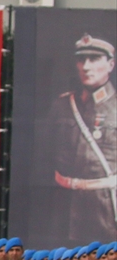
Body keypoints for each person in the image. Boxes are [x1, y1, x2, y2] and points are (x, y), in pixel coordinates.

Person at [49, 34, 116, 244]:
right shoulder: (62, 105)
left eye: (94, 59)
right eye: (81, 59)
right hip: (64, 206)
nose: (86, 66)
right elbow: (45, 154)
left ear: (111, 65)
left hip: (105, 207)